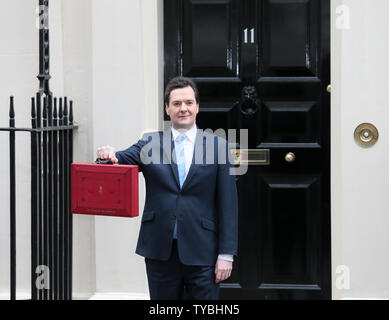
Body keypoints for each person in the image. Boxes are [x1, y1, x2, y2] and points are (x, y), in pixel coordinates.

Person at [96, 76, 238, 300]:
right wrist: (107, 155)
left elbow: (228, 205)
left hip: (203, 252)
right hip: (160, 250)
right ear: (167, 108)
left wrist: (226, 254)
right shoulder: (150, 144)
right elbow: (119, 160)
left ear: (197, 107)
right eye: (177, 103)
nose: (183, 108)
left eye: (189, 103)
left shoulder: (218, 146)